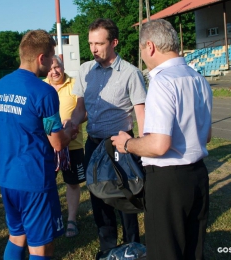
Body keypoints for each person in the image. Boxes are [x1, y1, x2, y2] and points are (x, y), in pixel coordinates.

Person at [111, 19, 212, 260]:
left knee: (165, 251)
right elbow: (205, 135)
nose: (143, 55)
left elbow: (158, 145)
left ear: (150, 46)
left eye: (141, 49)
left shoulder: (162, 81)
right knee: (193, 249)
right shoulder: (198, 78)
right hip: (198, 175)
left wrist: (127, 143)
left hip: (169, 181)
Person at [0, 30, 77, 260]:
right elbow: (57, 142)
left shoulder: (0, 86)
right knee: (40, 246)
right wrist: (70, 130)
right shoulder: (44, 91)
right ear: (41, 58)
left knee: (16, 236)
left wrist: (5, 161)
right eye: (52, 56)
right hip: (34, 180)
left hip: (7, 178)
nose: (53, 63)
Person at [71, 18, 147, 257]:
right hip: (94, 145)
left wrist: (142, 150)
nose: (93, 48)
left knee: (126, 198)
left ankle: (132, 247)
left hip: (120, 147)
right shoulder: (84, 71)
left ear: (114, 42)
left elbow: (141, 114)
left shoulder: (131, 73)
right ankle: (108, 249)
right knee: (98, 198)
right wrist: (70, 125)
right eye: (91, 43)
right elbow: (80, 110)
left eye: (99, 43)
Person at [43, 55, 85, 238]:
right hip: (47, 146)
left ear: (63, 65)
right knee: (46, 183)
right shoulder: (42, 86)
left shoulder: (76, 84)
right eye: (50, 68)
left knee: (73, 184)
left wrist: (73, 123)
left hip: (73, 145)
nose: (54, 71)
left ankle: (72, 220)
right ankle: (50, 219)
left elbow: (85, 111)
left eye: (57, 67)